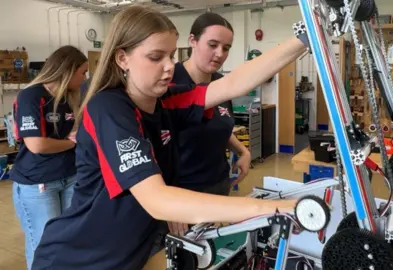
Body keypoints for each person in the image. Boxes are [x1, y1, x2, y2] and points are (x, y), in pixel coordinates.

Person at [32, 5, 308, 270]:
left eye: (172, 56)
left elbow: (233, 83)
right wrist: (273, 208)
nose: (168, 66)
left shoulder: (165, 101)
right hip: (77, 258)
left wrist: (305, 36)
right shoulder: (109, 108)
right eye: (156, 57)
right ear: (122, 58)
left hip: (130, 253)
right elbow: (157, 199)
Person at [11, 45, 87, 270]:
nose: (85, 78)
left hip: (69, 177)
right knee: (44, 245)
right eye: (82, 72)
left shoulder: (69, 97)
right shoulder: (32, 96)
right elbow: (37, 145)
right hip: (39, 182)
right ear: (68, 70)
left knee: (68, 238)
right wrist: (72, 143)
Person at [173, 13, 249, 196]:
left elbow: (218, 125)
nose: (220, 54)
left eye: (226, 48)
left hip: (219, 182)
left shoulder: (220, 83)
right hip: (183, 190)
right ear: (193, 40)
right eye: (213, 45)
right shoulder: (171, 81)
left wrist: (242, 150)